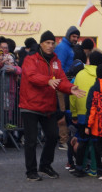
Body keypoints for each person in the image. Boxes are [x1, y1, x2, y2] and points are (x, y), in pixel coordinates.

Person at [19, 30, 86, 181]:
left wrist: (70, 88)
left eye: (52, 43)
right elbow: (31, 75)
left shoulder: (55, 60)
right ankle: (31, 171)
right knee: (31, 140)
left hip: (48, 105)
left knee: (53, 135)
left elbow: (61, 78)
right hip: (30, 104)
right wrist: (47, 80)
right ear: (41, 44)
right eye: (47, 43)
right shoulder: (31, 58)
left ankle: (45, 165)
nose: (50, 46)